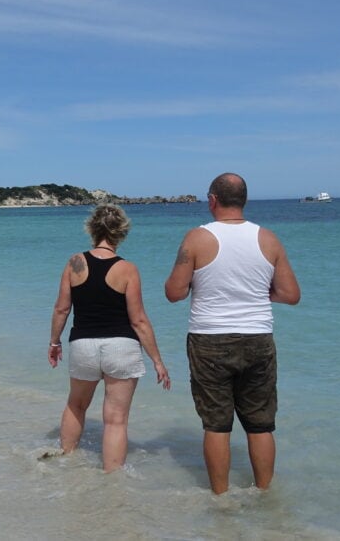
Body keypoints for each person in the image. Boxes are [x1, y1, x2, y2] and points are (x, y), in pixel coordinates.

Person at [165, 172, 300, 494]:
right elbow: (291, 294)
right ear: (244, 201)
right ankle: (265, 493)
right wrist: (257, 295)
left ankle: (221, 498)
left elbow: (174, 292)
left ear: (212, 200)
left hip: (210, 339)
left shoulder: (197, 238)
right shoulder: (268, 238)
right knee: (260, 423)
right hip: (257, 337)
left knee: (216, 424)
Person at [48, 204, 170, 472]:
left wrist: (54, 342)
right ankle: (112, 481)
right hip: (121, 347)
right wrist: (157, 361)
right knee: (116, 420)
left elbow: (61, 308)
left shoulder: (75, 263)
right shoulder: (127, 269)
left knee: (76, 404)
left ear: (92, 229)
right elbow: (138, 319)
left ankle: (65, 463)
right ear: (121, 233)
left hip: (82, 345)